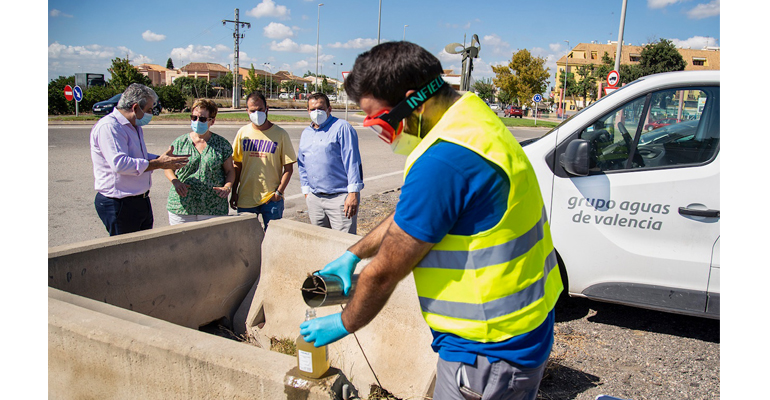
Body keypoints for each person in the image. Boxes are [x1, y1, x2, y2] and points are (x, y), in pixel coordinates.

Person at [299, 42, 563, 400]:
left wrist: (345, 322)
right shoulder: (473, 120)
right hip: (519, 330)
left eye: (382, 122)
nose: (385, 134)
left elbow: (386, 272)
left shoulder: (445, 160)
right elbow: (417, 211)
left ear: (414, 101)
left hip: (487, 350)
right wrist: (354, 253)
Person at [90, 83, 189, 236]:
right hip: (120, 202)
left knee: (142, 249)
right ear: (136, 108)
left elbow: (138, 156)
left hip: (139, 200)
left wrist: (161, 159)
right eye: (149, 110)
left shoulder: (133, 125)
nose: (151, 114)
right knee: (126, 253)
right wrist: (159, 164)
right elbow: (120, 164)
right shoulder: (110, 127)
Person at [298, 92, 364, 234]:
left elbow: (352, 161)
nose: (317, 112)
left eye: (321, 108)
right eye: (313, 109)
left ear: (329, 109)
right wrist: (306, 192)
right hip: (315, 199)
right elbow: (302, 164)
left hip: (340, 199)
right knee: (320, 243)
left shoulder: (342, 128)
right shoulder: (306, 133)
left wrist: (353, 193)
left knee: (343, 244)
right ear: (308, 111)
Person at [230, 91, 296, 230]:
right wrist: (234, 192)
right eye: (253, 110)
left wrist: (279, 192)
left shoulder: (280, 134)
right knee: (246, 239)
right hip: (246, 198)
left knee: (273, 240)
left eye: (260, 109)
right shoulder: (243, 133)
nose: (257, 113)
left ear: (267, 109)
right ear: (247, 111)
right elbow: (237, 165)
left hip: (271, 199)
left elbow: (288, 169)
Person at [164, 99, 235, 225]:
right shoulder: (180, 143)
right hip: (181, 207)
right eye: (194, 117)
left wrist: (227, 187)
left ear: (212, 121)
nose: (197, 122)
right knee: (181, 243)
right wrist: (175, 182)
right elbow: (167, 166)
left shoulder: (222, 144)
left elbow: (230, 171)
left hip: (213, 208)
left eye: (202, 119)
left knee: (209, 244)